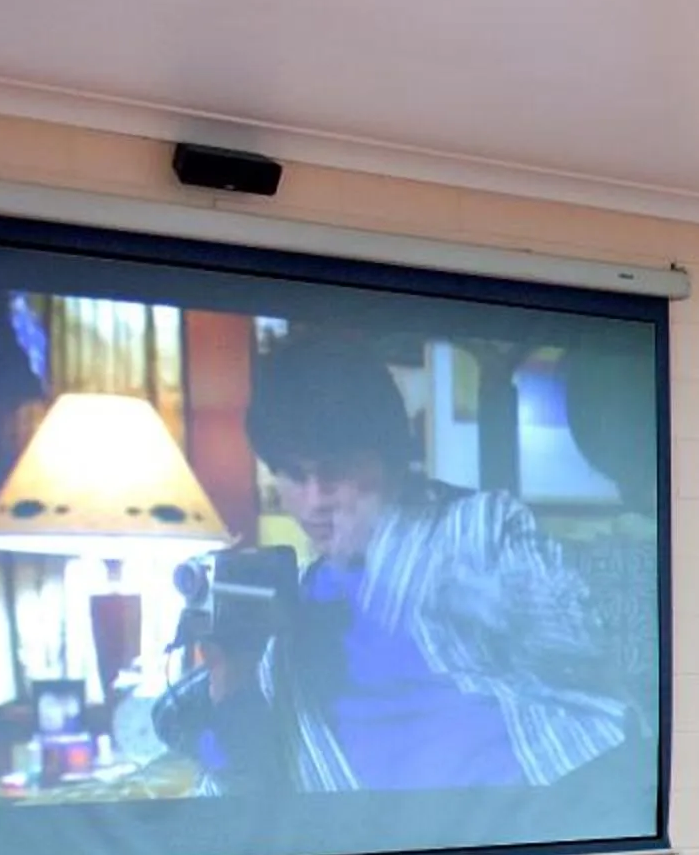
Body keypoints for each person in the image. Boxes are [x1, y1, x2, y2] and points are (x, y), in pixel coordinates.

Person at [156, 331, 642, 794]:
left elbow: (577, 644)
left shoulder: (476, 526)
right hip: (371, 843)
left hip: (525, 827)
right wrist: (232, 676)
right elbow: (242, 783)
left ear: (387, 457)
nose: (316, 499)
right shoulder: (287, 607)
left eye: (336, 471)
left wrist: (388, 546)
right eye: (295, 475)